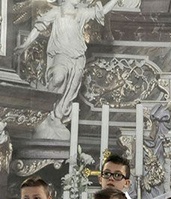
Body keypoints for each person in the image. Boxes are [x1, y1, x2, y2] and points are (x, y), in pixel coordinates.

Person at [14, 0, 121, 138]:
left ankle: (57, 118)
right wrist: (25, 44)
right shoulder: (56, 12)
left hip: (78, 58)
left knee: (70, 90)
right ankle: (45, 109)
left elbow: (102, 11)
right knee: (58, 77)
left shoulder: (81, 13)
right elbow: (38, 28)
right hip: (61, 54)